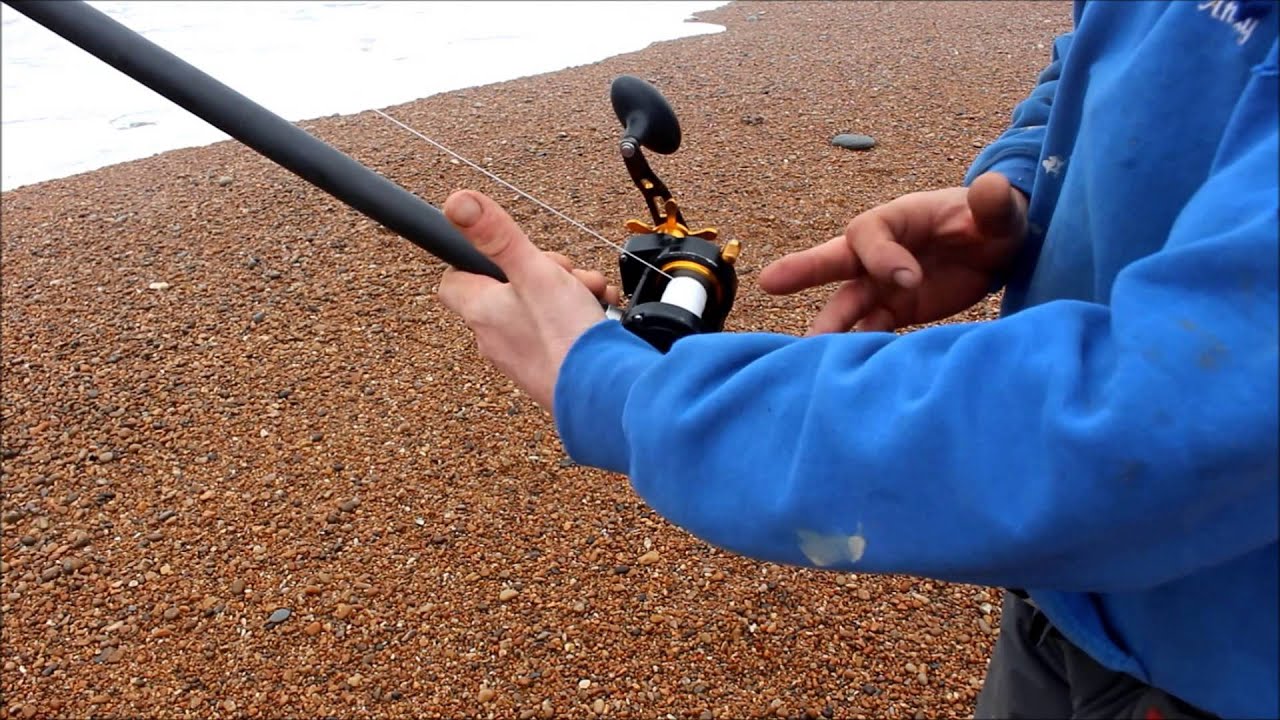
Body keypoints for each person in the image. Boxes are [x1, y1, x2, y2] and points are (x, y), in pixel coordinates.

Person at [436, 1, 1278, 717]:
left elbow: (1160, 419)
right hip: (1060, 598)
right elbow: (1116, 44)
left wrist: (620, 390)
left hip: (1221, 662)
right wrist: (1027, 186)